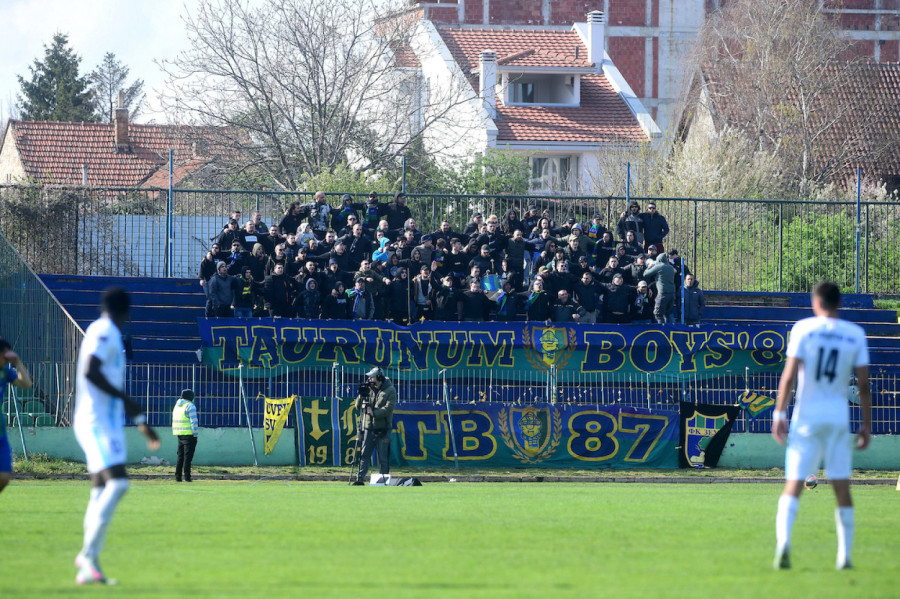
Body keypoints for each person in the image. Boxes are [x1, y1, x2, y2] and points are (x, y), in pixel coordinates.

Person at [771, 281, 871, 571]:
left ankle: (784, 545)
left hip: (806, 417)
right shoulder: (855, 334)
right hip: (838, 418)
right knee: (841, 486)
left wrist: (779, 414)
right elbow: (863, 386)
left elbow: (789, 376)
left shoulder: (803, 329)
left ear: (816, 303)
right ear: (839, 303)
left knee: (794, 483)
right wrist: (866, 424)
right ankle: (844, 556)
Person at [73, 287, 160, 585]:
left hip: (106, 423)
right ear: (127, 312)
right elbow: (90, 371)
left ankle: (89, 564)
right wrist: (127, 401)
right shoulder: (106, 332)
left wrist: (139, 419)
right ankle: (86, 554)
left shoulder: (103, 331)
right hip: (95, 423)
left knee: (99, 491)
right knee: (119, 483)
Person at [352, 367, 397, 485]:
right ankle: (359, 479)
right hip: (368, 428)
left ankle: (383, 482)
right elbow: (358, 407)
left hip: (383, 429)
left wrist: (374, 413)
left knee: (383, 457)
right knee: (364, 454)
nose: (369, 379)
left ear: (379, 377)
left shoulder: (390, 390)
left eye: (372, 377)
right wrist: (360, 396)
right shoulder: (368, 389)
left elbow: (389, 408)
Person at [0, 337, 32, 495]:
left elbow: (26, 384)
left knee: (4, 476)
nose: (7, 360)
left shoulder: (5, 372)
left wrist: (18, 363)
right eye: (5, 356)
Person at [172, 389, 199, 483]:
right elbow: (194, 422)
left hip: (179, 433)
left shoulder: (177, 406)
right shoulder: (190, 406)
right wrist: (195, 434)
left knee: (180, 456)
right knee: (188, 457)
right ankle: (187, 477)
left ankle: (178, 477)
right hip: (189, 434)